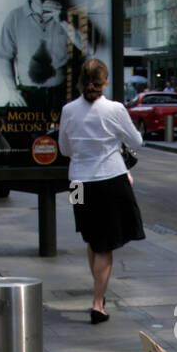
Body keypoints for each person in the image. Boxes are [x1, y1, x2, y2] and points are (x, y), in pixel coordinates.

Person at [58, 56, 145, 324]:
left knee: (91, 239)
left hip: (78, 183)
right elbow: (137, 142)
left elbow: (64, 149)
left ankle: (99, 292)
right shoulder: (115, 109)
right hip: (110, 179)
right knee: (105, 246)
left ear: (81, 81)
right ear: (104, 81)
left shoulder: (68, 110)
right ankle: (98, 304)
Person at [0, 0, 88, 112]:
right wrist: (12, 91)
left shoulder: (68, 16)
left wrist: (62, 21)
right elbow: (4, 56)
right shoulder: (15, 17)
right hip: (28, 94)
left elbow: (87, 48)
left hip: (61, 95)